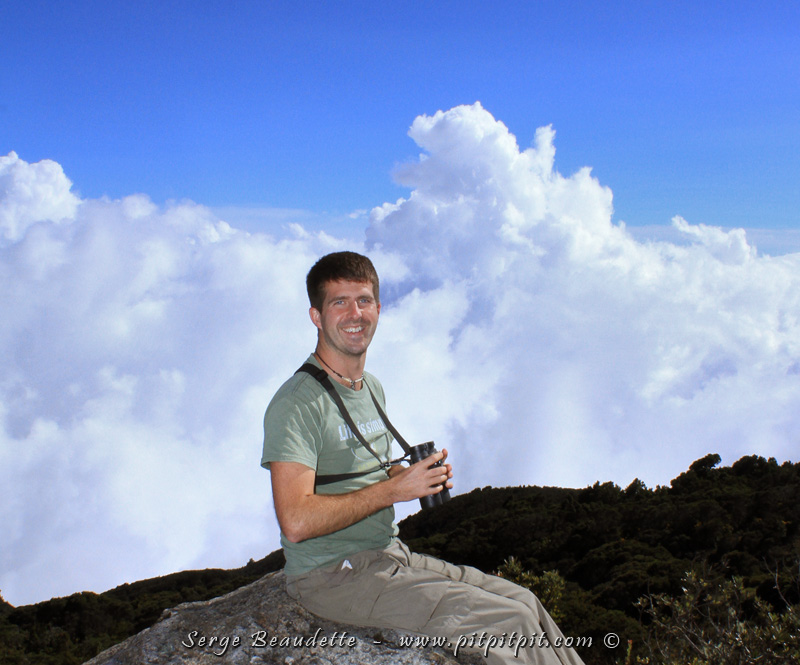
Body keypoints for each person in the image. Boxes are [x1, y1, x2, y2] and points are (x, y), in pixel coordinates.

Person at [261, 251, 586, 665]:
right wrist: (394, 489)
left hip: (389, 555)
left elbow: (365, 473)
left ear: (379, 308)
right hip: (332, 576)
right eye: (339, 302)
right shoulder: (297, 403)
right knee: (509, 624)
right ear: (316, 316)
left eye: (363, 300)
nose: (354, 313)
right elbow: (296, 521)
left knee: (525, 601)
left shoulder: (369, 387)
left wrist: (412, 477)